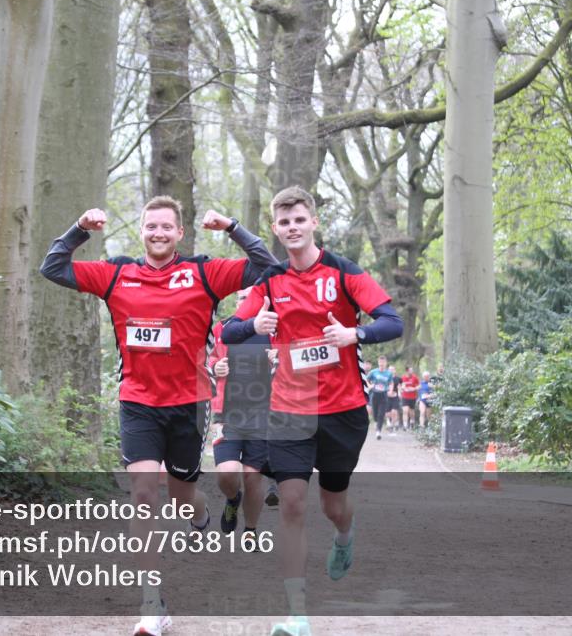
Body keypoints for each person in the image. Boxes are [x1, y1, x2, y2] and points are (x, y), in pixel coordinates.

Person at [39, 196, 277, 636]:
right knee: (144, 493)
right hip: (138, 402)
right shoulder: (117, 274)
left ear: (180, 233)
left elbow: (268, 266)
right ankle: (153, 602)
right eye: (151, 226)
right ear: (142, 231)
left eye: (167, 227)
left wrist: (231, 227)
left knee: (182, 494)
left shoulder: (204, 273)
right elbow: (52, 267)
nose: (158, 233)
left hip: (189, 403)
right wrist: (79, 228)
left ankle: (200, 515)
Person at [221, 186, 403, 636]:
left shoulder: (343, 271)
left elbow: (392, 322)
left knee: (333, 505)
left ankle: (345, 534)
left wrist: (354, 335)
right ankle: (297, 614)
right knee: (292, 504)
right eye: (284, 222)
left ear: (313, 222)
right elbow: (228, 331)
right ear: (275, 229)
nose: (292, 228)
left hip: (343, 409)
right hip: (288, 408)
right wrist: (253, 324)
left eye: (299, 219)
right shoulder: (270, 280)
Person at [209, 288, 274, 549]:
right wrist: (214, 367)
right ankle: (232, 499)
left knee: (253, 477)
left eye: (251, 298)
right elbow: (204, 361)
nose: (246, 302)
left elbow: (294, 365)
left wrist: (279, 360)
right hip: (227, 415)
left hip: (263, 415)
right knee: (227, 474)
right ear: (236, 302)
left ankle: (250, 530)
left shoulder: (273, 331)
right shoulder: (222, 329)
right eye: (242, 298)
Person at [364, 356, 394, 440]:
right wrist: (369, 386)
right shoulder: (373, 372)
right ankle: (376, 422)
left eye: (383, 362)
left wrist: (390, 390)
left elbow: (391, 383)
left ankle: (378, 432)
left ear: (386, 363)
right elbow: (366, 379)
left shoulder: (388, 373)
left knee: (381, 414)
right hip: (374, 395)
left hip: (383, 395)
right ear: (378, 363)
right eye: (380, 362)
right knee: (375, 414)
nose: (382, 364)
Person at [400, 366, 420, 430]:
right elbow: (400, 386)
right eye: (410, 370)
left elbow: (419, 385)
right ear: (407, 371)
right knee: (405, 410)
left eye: (412, 370)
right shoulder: (403, 377)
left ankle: (412, 422)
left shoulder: (415, 377)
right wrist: (403, 388)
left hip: (412, 397)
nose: (412, 371)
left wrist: (414, 388)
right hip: (405, 396)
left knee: (411, 412)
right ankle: (405, 425)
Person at [386, 364, 402, 432]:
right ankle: (389, 422)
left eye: (392, 369)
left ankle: (391, 426)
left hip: (395, 397)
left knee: (394, 412)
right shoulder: (385, 378)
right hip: (387, 397)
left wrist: (400, 393)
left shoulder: (398, 379)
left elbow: (400, 386)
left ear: (395, 370)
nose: (391, 371)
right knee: (388, 413)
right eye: (390, 369)